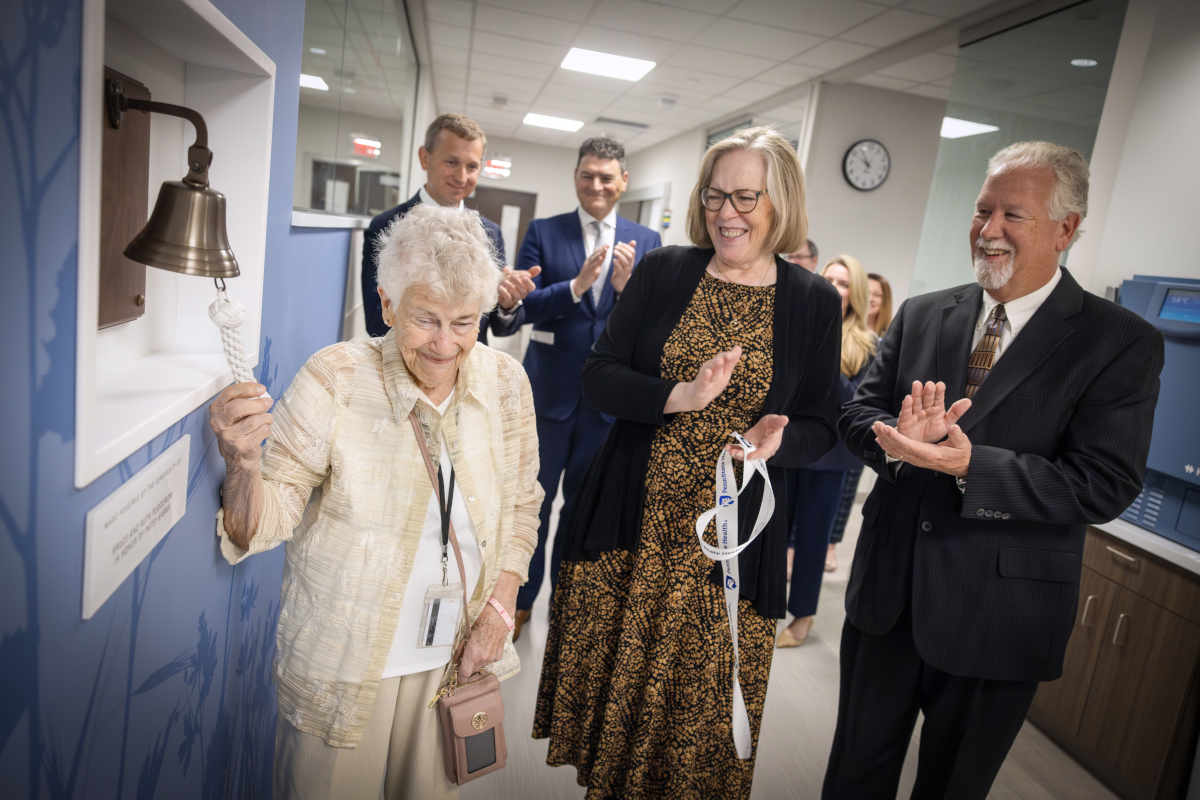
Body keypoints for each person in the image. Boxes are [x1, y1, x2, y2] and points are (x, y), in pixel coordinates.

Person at [824, 141, 1164, 799]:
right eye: (983, 211)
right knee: (852, 778)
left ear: (1067, 229)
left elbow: (1105, 482)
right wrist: (893, 441)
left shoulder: (1118, 342)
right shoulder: (925, 311)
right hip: (888, 599)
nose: (989, 230)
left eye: (1013, 214)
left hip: (1000, 614)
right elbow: (856, 413)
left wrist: (972, 466)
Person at [534, 127, 842, 798]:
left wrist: (777, 442)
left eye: (743, 197)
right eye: (713, 195)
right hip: (633, 535)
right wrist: (681, 394)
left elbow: (827, 424)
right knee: (613, 734)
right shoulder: (665, 270)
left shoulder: (813, 302)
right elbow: (599, 375)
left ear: (781, 200)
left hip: (727, 554)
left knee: (694, 736)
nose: (724, 212)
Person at [209, 203, 543, 800]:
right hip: (347, 660)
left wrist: (500, 608)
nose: (446, 345)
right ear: (387, 304)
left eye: (465, 322)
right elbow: (258, 524)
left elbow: (524, 502)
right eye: (426, 319)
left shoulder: (507, 383)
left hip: (454, 659)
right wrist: (243, 464)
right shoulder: (334, 378)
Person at [490, 137, 661, 640]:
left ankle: (568, 604)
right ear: (576, 177)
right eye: (588, 175)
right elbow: (517, 309)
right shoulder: (545, 231)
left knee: (584, 511)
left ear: (623, 181)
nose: (597, 185)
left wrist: (629, 294)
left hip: (609, 407)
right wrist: (576, 289)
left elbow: (656, 328)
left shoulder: (648, 240)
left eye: (607, 176)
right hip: (550, 398)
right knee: (532, 508)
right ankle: (519, 604)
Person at [361, 113, 538, 342]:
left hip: (467, 371)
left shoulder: (490, 234)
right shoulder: (386, 226)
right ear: (425, 158)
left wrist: (508, 302)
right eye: (451, 162)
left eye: (472, 166)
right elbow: (376, 321)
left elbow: (499, 327)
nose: (462, 176)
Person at [778, 255, 876, 647]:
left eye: (843, 283)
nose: (835, 289)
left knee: (813, 540)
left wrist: (826, 356)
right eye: (829, 280)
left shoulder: (866, 345)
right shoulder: (796, 328)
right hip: (786, 446)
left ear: (856, 293)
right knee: (772, 532)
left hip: (829, 456)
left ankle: (802, 617)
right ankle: (760, 604)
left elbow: (856, 403)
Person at [867, 272, 893, 337]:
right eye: (865, 293)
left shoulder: (891, 335)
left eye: (877, 295)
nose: (870, 299)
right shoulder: (842, 325)